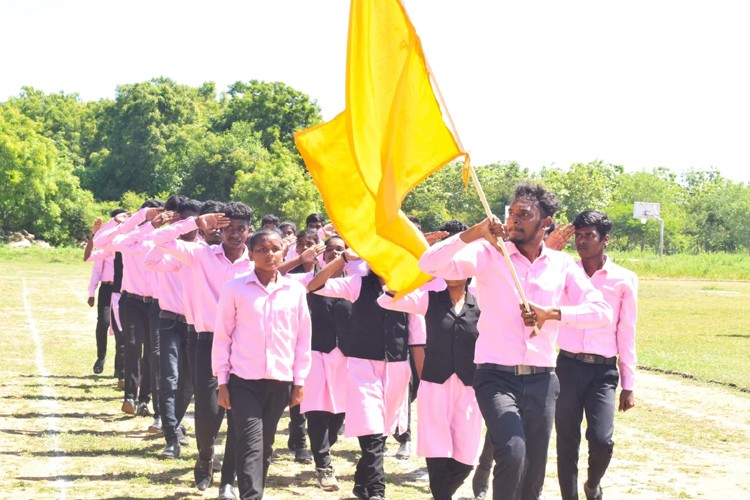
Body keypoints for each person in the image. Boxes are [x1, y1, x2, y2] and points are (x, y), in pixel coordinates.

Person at [419, 182, 613, 500]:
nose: (513, 220)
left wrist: (551, 314)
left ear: (546, 222)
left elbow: (601, 311)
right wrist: (474, 233)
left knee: (534, 473)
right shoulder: (487, 254)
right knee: (511, 452)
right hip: (495, 376)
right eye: (511, 213)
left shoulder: (561, 265)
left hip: (543, 380)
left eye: (524, 214)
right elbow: (428, 264)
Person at [151, 201, 255, 496]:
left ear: (249, 231)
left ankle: (229, 480)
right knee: (209, 412)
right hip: (206, 341)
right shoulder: (200, 254)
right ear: (220, 229)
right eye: (229, 228)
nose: (235, 234)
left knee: (239, 413)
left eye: (241, 229)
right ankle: (206, 456)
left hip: (244, 345)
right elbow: (157, 239)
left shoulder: (254, 263)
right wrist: (196, 222)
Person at [379, 220, 484, 500]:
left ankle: (444, 493)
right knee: (436, 446)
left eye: (459, 266)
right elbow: (387, 300)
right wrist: (409, 271)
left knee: (465, 455)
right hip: (435, 381)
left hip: (470, 384)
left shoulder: (482, 303)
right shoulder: (428, 299)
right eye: (448, 266)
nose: (454, 271)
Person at [308, 250, 422, 500]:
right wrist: (343, 260)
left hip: (397, 367)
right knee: (370, 430)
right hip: (362, 367)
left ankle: (361, 485)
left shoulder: (407, 286)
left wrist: (420, 377)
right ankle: (377, 492)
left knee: (380, 433)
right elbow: (315, 286)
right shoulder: (357, 283)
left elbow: (416, 335)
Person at [214, 228, 312, 500]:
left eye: (275, 249)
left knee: (265, 444)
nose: (269, 254)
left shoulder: (295, 290)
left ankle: (255, 489)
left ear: (284, 251)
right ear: (251, 253)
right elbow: (222, 337)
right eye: (262, 249)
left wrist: (299, 381)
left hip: (280, 380)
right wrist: (222, 381)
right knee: (250, 443)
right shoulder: (235, 288)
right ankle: (251, 496)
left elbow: (303, 338)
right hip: (243, 380)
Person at [553, 210, 638, 500]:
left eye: (589, 235)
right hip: (566, 366)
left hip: (603, 372)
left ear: (605, 240)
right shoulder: (564, 271)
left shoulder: (623, 280)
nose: (582, 241)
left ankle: (592, 485)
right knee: (566, 441)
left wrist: (629, 384)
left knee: (602, 440)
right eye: (578, 235)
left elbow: (626, 331)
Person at [94, 200, 164, 421]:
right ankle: (130, 397)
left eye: (157, 215)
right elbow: (101, 241)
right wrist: (131, 219)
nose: (154, 219)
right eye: (150, 214)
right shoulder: (130, 239)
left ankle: (145, 398)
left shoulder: (165, 240)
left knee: (153, 352)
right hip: (131, 301)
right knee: (132, 346)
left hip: (157, 304)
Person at [144, 198, 203, 459]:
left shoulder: (205, 252)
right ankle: (170, 437)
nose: (187, 227)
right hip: (168, 321)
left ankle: (175, 424)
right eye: (182, 221)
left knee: (188, 384)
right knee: (169, 378)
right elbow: (150, 261)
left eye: (192, 221)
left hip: (193, 325)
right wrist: (174, 228)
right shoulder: (167, 248)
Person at [299, 235, 351, 491]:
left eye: (339, 250)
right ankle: (323, 465)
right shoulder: (310, 281)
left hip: (346, 358)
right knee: (317, 413)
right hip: (316, 355)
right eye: (329, 250)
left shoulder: (355, 284)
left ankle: (324, 448)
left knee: (337, 417)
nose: (333, 253)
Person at [84, 217, 114, 375]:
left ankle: (120, 367)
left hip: (124, 290)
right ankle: (101, 357)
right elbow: (96, 270)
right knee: (103, 323)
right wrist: (91, 292)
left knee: (123, 330)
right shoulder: (107, 249)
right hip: (107, 289)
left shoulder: (131, 246)